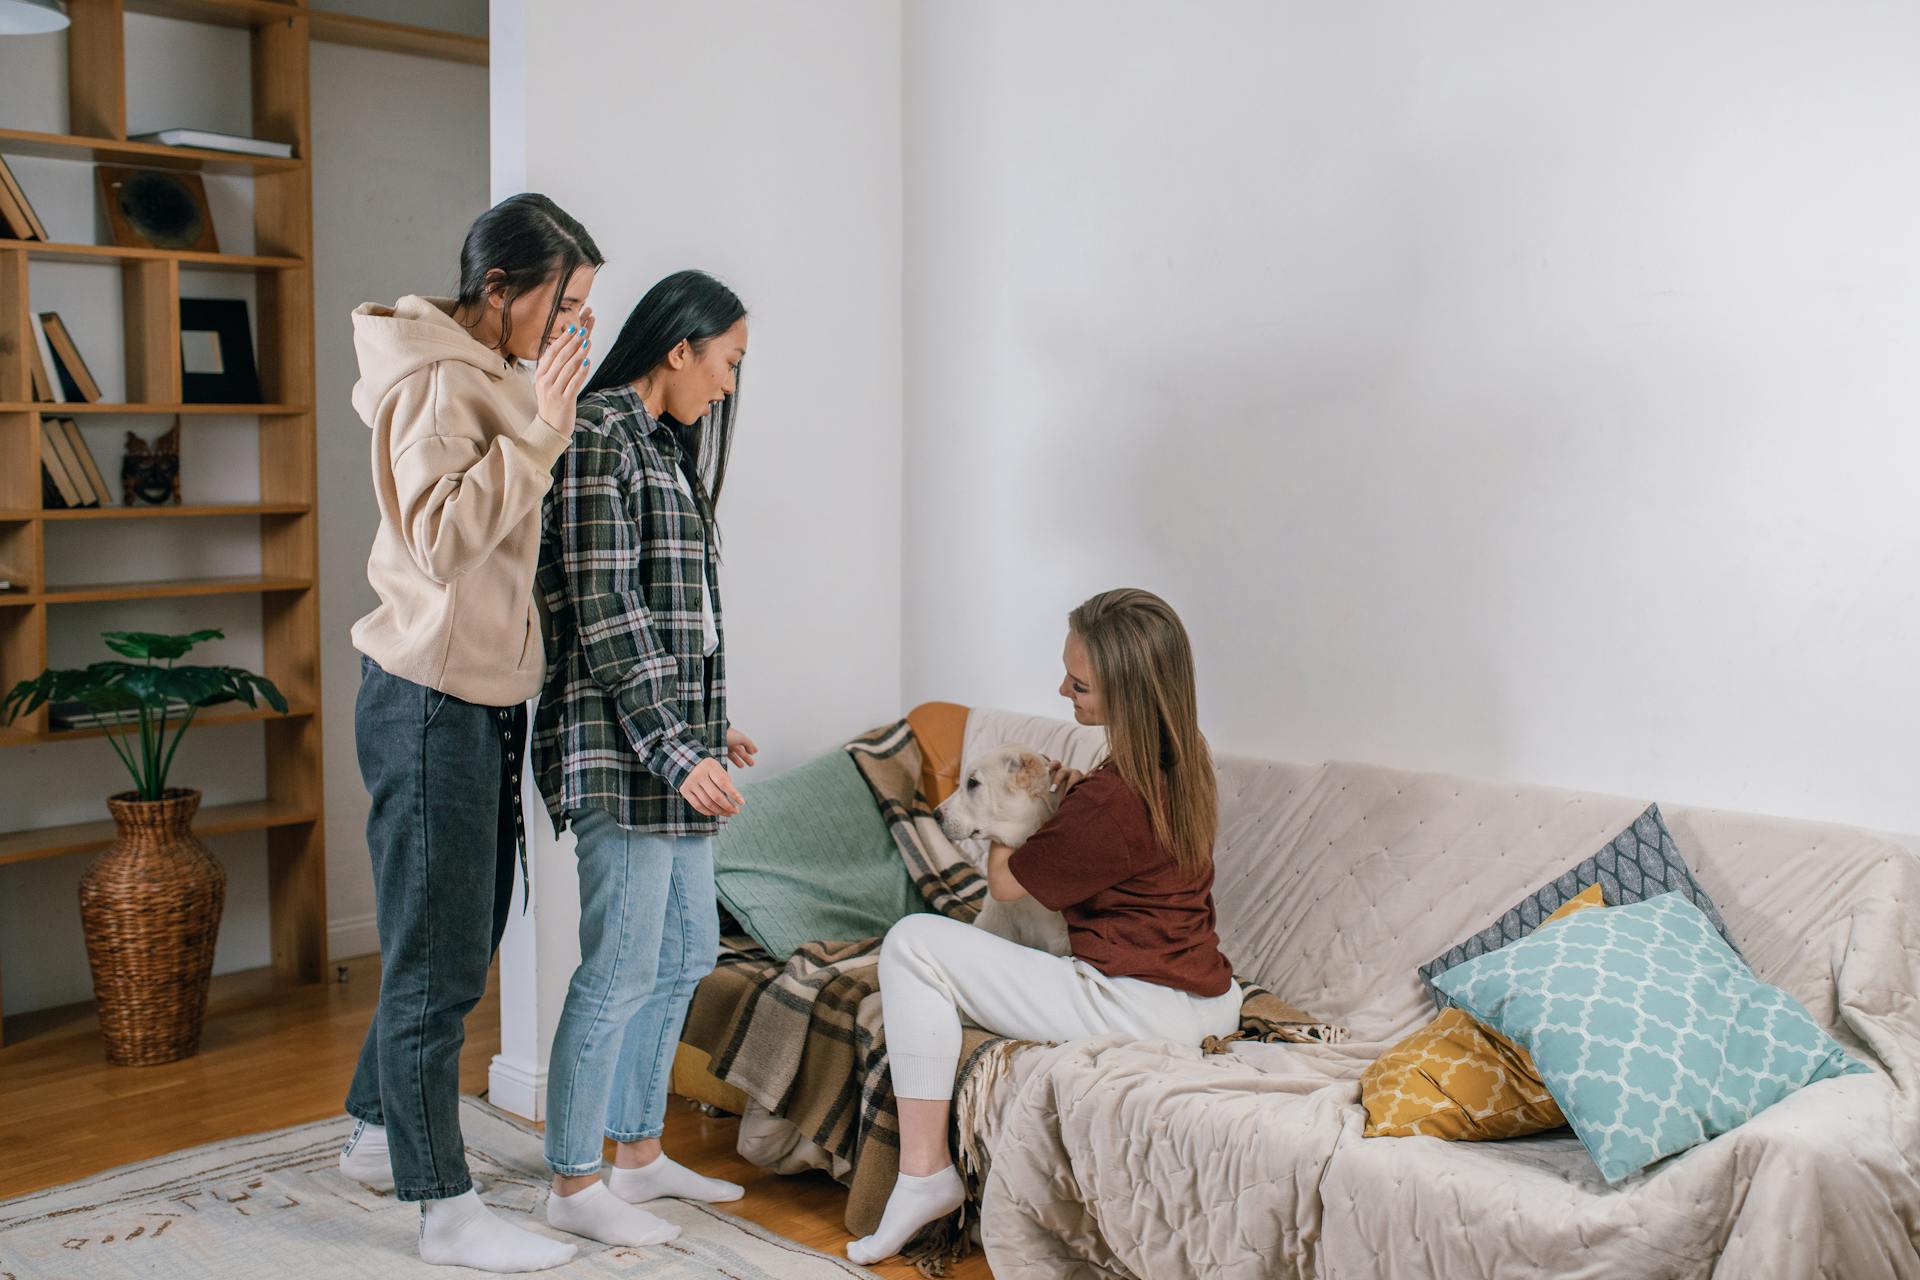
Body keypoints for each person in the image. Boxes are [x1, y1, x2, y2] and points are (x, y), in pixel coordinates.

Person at [336, 193, 601, 1273]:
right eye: (565, 303)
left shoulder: (497, 376)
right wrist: (541, 424)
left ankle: (371, 1128)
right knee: (436, 963)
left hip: (479, 699)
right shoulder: (438, 381)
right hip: (428, 700)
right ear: (502, 289)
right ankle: (443, 1206)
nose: (574, 326)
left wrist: (543, 413)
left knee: (459, 935)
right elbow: (443, 539)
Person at [850, 588, 1244, 1265]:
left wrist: (1020, 809)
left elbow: (1006, 881)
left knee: (912, 943)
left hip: (1135, 1001)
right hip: (1210, 997)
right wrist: (1061, 797)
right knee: (936, 946)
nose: (1062, 689)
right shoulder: (1179, 759)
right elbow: (1103, 840)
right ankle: (923, 1171)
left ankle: (923, 1173)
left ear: (1126, 684)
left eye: (1079, 681)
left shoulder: (1112, 796)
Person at [532, 269, 758, 1248]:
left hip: (671, 747)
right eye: (728, 362)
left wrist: (713, 726)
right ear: (681, 349)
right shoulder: (596, 435)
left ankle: (634, 1151)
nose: (730, 384)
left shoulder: (664, 448)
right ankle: (571, 1180)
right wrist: (676, 746)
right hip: (618, 756)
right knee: (619, 966)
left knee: (686, 953)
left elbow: (682, 621)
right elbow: (608, 614)